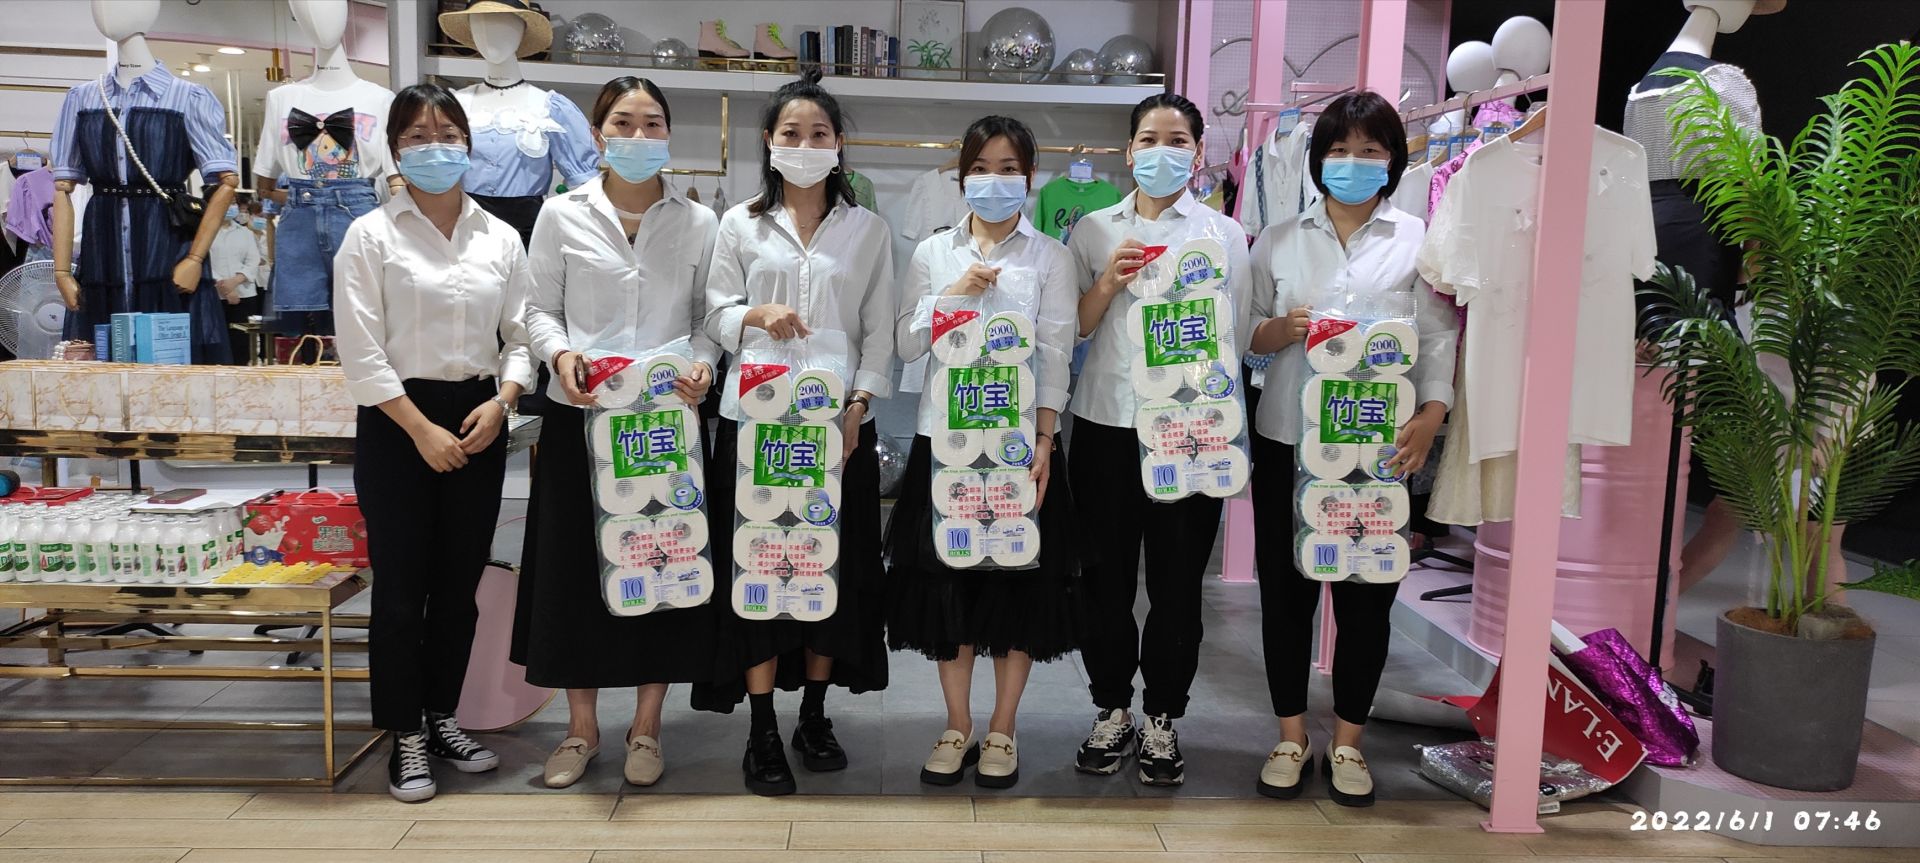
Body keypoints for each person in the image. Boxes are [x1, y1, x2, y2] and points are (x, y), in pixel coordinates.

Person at [1244, 91, 1457, 806]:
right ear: (1318, 159)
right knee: (1287, 595)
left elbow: (1438, 336)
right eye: (1339, 150)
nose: (1354, 163)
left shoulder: (1417, 238)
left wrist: (1432, 413)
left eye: (1370, 150)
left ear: (1393, 160)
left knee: (1368, 595)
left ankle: (1348, 742)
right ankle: (1290, 736)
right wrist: (1282, 329)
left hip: (1379, 446)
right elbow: (1245, 332)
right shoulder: (1278, 239)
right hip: (1288, 438)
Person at [510, 76, 722, 790]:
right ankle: (581, 729)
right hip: (582, 419)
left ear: (669, 135)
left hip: (665, 423)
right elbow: (538, 310)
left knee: (662, 559)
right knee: (577, 568)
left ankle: (647, 726)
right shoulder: (561, 214)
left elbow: (708, 317)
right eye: (623, 123)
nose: (638, 136)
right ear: (598, 134)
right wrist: (560, 355)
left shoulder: (699, 222)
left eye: (652, 123)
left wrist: (703, 364)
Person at [697, 69, 896, 797]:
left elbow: (880, 330)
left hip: (837, 429)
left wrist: (859, 406)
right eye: (791, 133)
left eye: (819, 133)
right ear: (769, 142)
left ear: (838, 145)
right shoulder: (739, 223)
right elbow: (714, 314)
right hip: (755, 427)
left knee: (826, 569)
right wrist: (753, 314)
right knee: (757, 568)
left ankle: (813, 713)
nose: (805, 145)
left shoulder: (868, 230)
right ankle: (761, 730)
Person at [333, 83, 534, 804]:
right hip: (397, 421)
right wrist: (419, 428)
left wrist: (503, 401)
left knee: (458, 589)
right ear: (394, 150)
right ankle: (404, 732)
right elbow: (360, 350)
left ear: (469, 145)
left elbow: (520, 335)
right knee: (400, 591)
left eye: (448, 133)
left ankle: (443, 716)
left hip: (479, 416)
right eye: (417, 136)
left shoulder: (500, 237)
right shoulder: (369, 237)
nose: (434, 146)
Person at [886, 115, 1079, 789]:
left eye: (1008, 169)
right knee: (948, 586)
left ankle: (1003, 727)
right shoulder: (933, 252)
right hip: (946, 444)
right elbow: (907, 343)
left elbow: (1055, 355)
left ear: (1030, 177)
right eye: (980, 168)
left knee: (1015, 588)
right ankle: (956, 723)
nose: (994, 181)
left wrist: (1047, 440)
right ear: (961, 175)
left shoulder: (1051, 257)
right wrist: (953, 296)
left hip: (1020, 447)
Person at [1065, 93, 1250, 787]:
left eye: (1177, 140)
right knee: (1103, 580)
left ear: (1198, 153)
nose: (1161, 151)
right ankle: (1111, 707)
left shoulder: (1224, 234)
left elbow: (1237, 333)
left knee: (1177, 584)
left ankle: (1163, 716)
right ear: (1128, 151)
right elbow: (1075, 327)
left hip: (1191, 433)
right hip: (1107, 425)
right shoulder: (1093, 229)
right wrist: (1109, 280)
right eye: (1148, 139)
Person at [208, 202, 261, 364]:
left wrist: (236, 281)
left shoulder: (245, 233)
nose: (230, 206)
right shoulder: (205, 232)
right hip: (215, 294)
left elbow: (253, 260)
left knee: (241, 343)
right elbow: (204, 262)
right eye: (227, 202)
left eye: (233, 203)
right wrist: (225, 287)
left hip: (244, 293)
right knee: (217, 343)